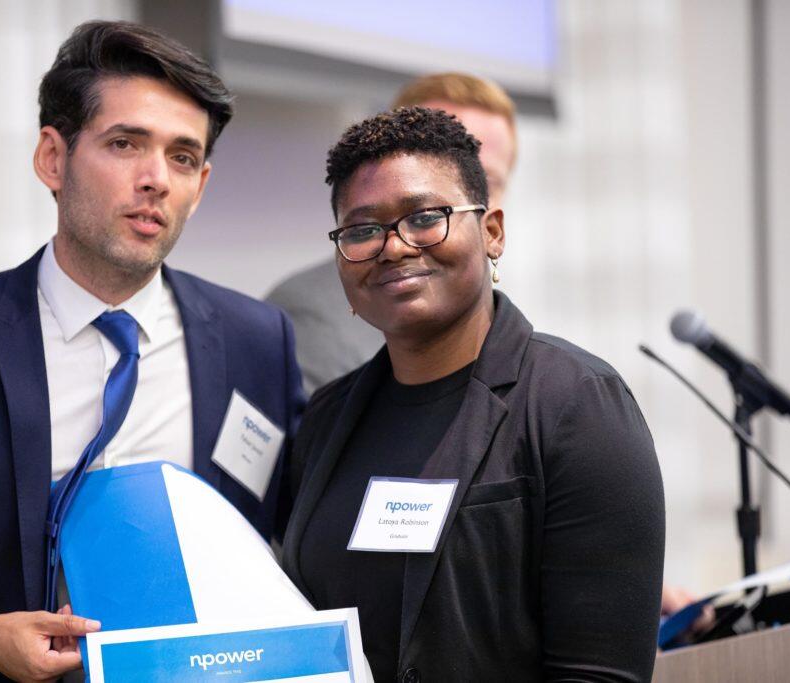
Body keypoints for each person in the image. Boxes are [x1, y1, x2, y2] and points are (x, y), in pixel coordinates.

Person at [0, 21, 304, 683]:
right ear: (53, 157)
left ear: (202, 182)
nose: (156, 178)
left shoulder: (257, 339)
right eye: (126, 143)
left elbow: (291, 539)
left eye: (183, 156)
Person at [280, 107, 665, 680]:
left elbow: (600, 674)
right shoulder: (326, 420)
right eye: (362, 230)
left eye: (425, 217)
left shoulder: (576, 404)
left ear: (492, 232)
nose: (394, 247)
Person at [266, 73, 517, 395]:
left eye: (484, 179)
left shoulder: (562, 389)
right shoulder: (314, 313)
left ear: (494, 229)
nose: (397, 248)